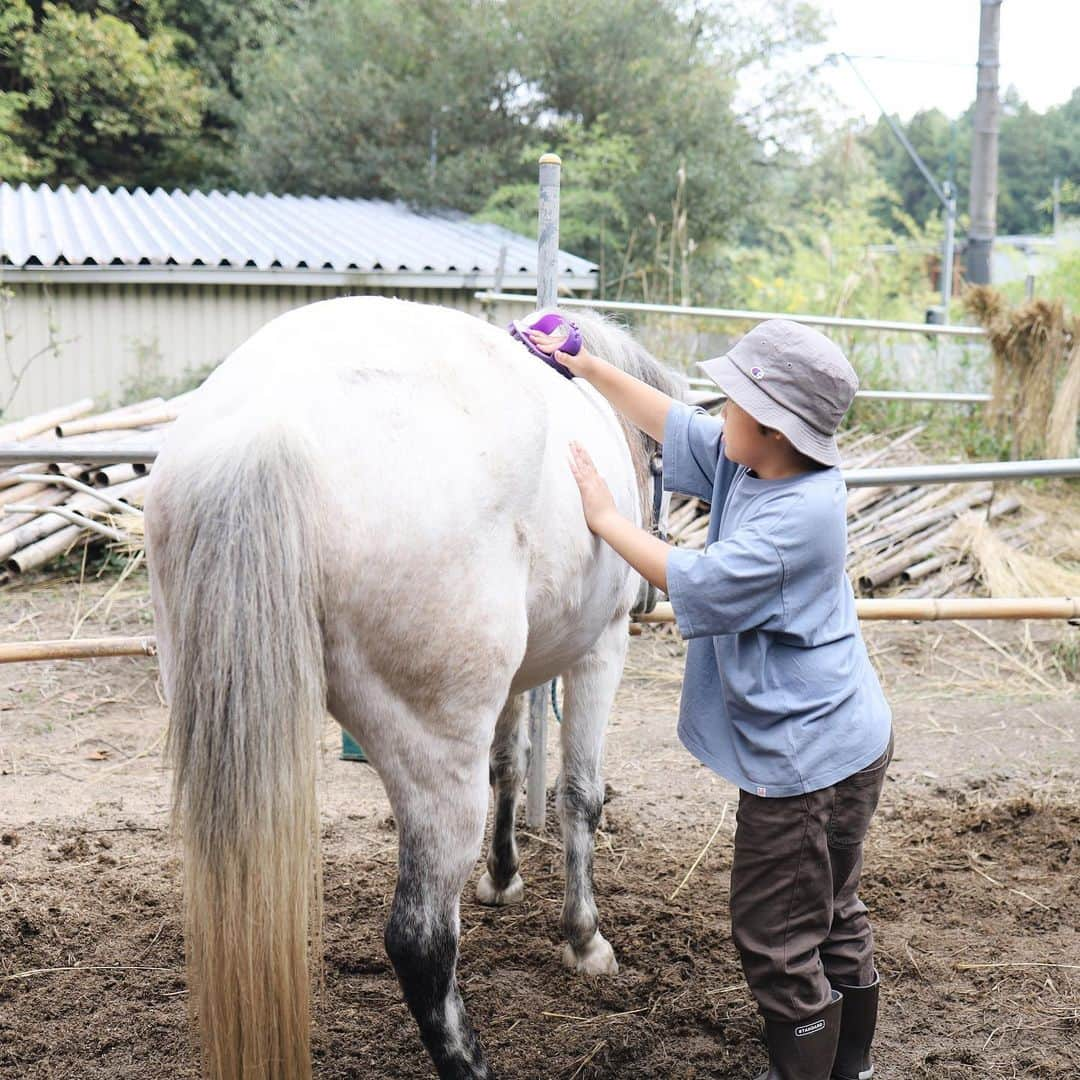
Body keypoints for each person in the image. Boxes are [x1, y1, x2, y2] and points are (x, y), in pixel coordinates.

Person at [529, 318, 894, 1080]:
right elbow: (673, 423)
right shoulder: (759, 462)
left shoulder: (798, 522)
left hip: (804, 764)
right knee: (832, 909)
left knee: (774, 931)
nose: (715, 411)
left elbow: (689, 578)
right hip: (845, 739)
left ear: (768, 426)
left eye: (730, 401)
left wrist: (605, 519)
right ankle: (849, 1068)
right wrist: (587, 363)